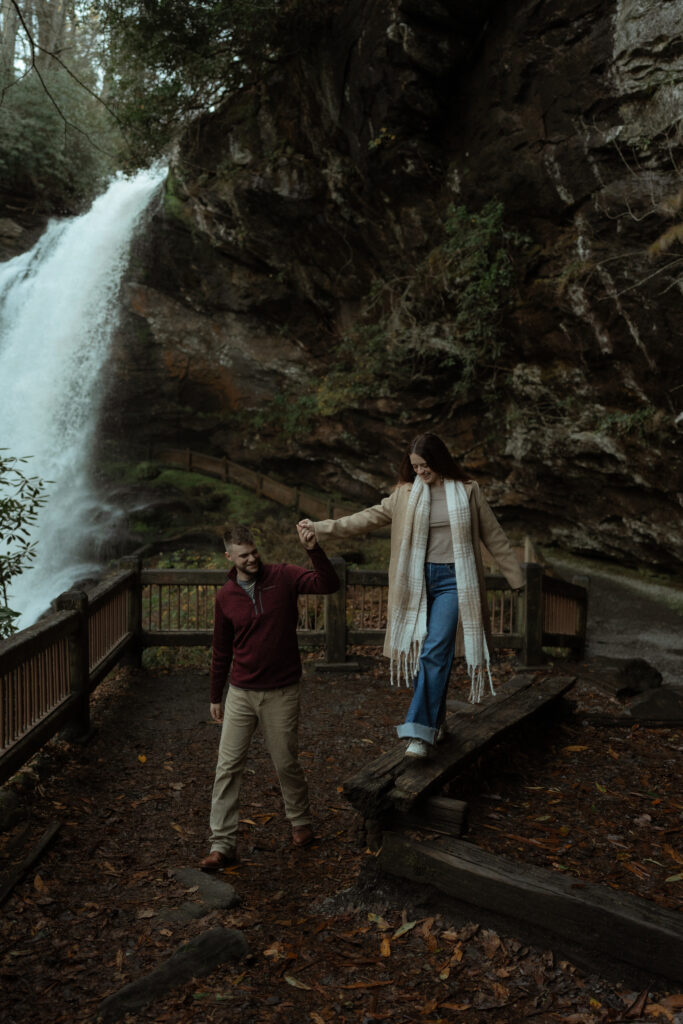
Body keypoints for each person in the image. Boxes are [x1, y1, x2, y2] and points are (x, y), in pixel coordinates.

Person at [299, 433, 524, 759]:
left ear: (439, 461)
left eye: (425, 465)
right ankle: (437, 722)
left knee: (434, 652)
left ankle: (418, 733)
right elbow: (365, 519)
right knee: (430, 656)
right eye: (415, 467)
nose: (420, 472)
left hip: (454, 583)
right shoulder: (404, 494)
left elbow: (495, 536)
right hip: (416, 584)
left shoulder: (467, 491)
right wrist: (321, 528)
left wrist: (516, 578)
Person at [200, 521, 339, 871]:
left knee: (286, 761)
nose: (252, 559)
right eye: (243, 555)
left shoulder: (283, 576)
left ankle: (300, 822)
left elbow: (328, 583)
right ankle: (222, 844)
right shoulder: (226, 597)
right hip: (241, 693)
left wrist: (313, 549)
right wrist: (216, 695)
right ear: (229, 556)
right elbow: (220, 649)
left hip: (281, 691)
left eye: (254, 552)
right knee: (227, 767)